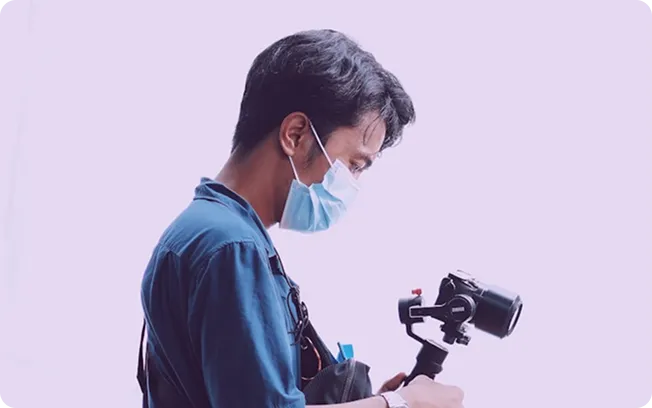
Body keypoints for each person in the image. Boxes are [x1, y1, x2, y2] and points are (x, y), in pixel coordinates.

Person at [138, 29, 465, 408]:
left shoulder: (204, 231)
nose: (353, 184)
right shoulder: (230, 246)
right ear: (295, 135)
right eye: (354, 164)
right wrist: (401, 405)